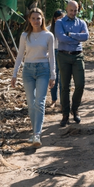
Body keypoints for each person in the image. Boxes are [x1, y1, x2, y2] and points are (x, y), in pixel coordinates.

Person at [10, 8, 56, 147]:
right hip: (28, 70)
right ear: (29, 20)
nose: (36, 21)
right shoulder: (25, 36)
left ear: (42, 19)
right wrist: (14, 74)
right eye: (33, 18)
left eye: (38, 18)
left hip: (43, 69)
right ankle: (34, 131)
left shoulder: (48, 36)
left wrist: (53, 75)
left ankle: (37, 134)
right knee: (31, 103)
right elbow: (20, 55)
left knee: (40, 102)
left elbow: (52, 57)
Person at [54, 0, 89, 127]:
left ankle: (75, 108)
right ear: (66, 10)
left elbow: (85, 37)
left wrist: (70, 34)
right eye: (71, 10)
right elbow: (60, 37)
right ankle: (65, 113)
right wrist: (76, 38)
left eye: (75, 10)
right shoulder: (59, 22)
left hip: (77, 56)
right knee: (64, 86)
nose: (73, 13)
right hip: (63, 56)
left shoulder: (82, 23)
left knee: (80, 84)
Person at [48, 9, 65, 107]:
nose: (62, 20)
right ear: (55, 19)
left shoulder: (66, 28)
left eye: (63, 18)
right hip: (53, 53)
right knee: (53, 77)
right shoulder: (49, 29)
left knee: (63, 79)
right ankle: (54, 100)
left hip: (63, 53)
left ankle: (63, 102)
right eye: (59, 18)